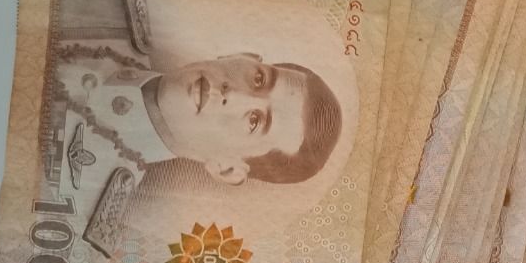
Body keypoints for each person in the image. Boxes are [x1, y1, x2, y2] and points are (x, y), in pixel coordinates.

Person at [60, 47, 343, 189]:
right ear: (240, 54)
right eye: (259, 79)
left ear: (226, 168)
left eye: (254, 121)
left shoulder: (83, 186)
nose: (234, 94)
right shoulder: (116, 6)